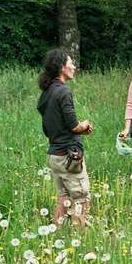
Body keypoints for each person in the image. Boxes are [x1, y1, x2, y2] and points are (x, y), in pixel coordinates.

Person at [36, 49, 93, 230]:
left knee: (63, 197)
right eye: (71, 63)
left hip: (55, 155)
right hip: (70, 156)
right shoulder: (63, 92)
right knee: (80, 198)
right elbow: (73, 125)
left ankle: (57, 233)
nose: (74, 67)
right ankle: (80, 241)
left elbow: (49, 128)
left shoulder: (46, 93)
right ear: (62, 67)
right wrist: (84, 125)